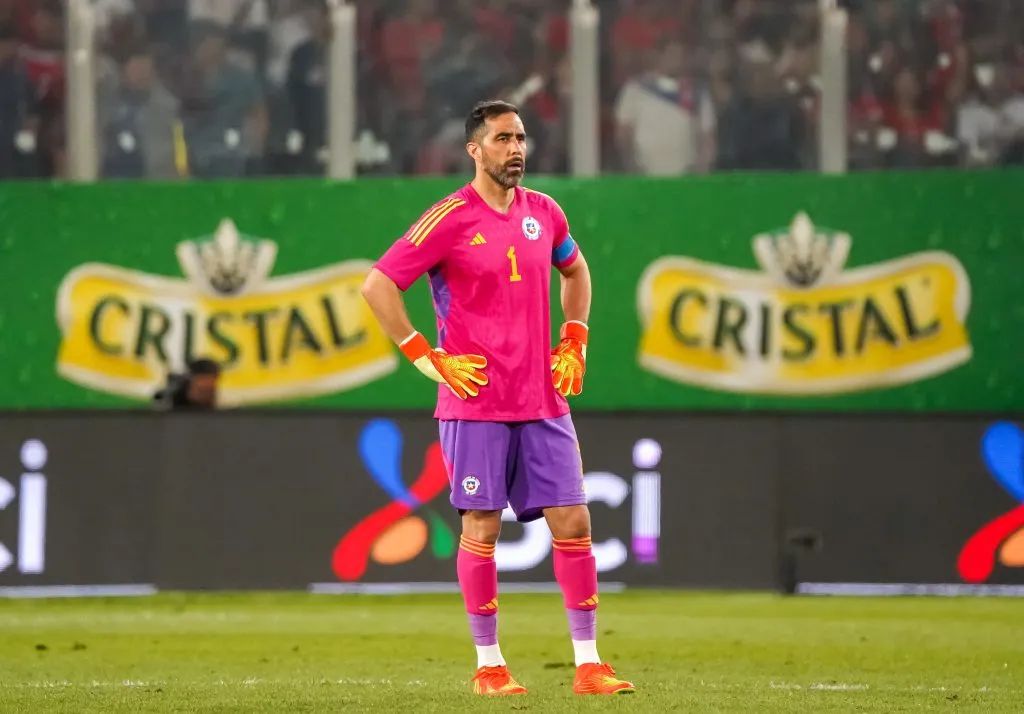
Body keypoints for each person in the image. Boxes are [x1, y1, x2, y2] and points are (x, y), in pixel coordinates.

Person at [360, 99, 635, 697]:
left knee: (574, 518)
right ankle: (490, 667)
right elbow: (378, 283)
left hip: (543, 398)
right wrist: (422, 355)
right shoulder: (449, 218)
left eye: (522, 138)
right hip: (477, 401)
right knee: (482, 527)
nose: (516, 148)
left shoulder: (546, 213)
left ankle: (588, 664)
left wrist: (576, 339)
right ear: (474, 149)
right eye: (503, 138)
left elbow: (578, 272)